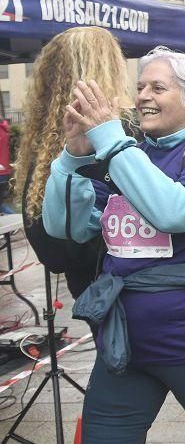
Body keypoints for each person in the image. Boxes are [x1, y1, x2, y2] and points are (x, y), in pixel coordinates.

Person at [42, 47, 185, 442]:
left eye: (158, 87)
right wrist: (71, 159)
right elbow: (66, 227)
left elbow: (174, 213)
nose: (143, 95)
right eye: (140, 86)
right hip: (125, 343)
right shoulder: (127, 155)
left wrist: (112, 140)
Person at [13, 27, 133, 297]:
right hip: (127, 283)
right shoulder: (126, 134)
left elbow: (50, 250)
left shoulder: (44, 144)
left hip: (91, 290)